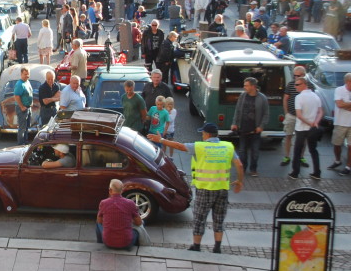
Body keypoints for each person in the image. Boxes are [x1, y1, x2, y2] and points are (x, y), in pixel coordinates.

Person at [150, 124, 243, 253]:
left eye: (203, 133)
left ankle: (196, 246)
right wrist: (239, 181)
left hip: (204, 189)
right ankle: (217, 247)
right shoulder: (228, 147)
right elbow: (239, 165)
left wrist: (160, 140)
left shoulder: (200, 146)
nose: (202, 135)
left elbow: (179, 146)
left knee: (200, 218)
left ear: (207, 135)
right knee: (219, 219)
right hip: (222, 190)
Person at [230, 77, 269, 176]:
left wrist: (261, 126)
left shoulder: (262, 98)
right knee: (242, 151)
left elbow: (266, 114)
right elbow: (237, 110)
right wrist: (234, 123)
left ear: (253, 86)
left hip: (255, 131)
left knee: (255, 152)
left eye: (246, 85)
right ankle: (243, 168)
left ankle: (253, 169)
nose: (244, 87)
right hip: (243, 129)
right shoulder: (242, 96)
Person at [328, 72, 351, 176]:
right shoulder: (339, 90)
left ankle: (348, 167)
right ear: (347, 82)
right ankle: (337, 160)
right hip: (340, 122)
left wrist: (345, 105)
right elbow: (339, 104)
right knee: (337, 144)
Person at [289, 75, 323, 180]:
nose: (296, 87)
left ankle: (295, 172)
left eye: (297, 85)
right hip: (312, 128)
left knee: (297, 150)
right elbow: (320, 111)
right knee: (313, 150)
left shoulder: (299, 97)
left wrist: (309, 123)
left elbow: (299, 115)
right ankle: (317, 172)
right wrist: (315, 122)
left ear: (304, 84)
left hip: (301, 128)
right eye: (295, 85)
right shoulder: (315, 96)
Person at [96, 179, 143, 250]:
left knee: (97, 224)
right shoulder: (130, 203)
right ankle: (136, 246)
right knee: (140, 226)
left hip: (108, 243)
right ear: (122, 190)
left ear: (110, 190)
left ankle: (100, 243)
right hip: (126, 243)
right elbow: (139, 223)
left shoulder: (103, 203)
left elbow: (99, 221)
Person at [281, 66, 307, 167]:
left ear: (303, 75)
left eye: (298, 76)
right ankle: (287, 156)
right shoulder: (291, 84)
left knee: (303, 138)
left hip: (303, 117)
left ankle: (301, 156)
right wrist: (286, 113)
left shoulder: (309, 86)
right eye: (294, 75)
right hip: (291, 115)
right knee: (288, 136)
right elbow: (286, 98)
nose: (295, 77)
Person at [13, 66, 34, 145]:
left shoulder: (27, 81)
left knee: (26, 127)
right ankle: (21, 144)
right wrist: (22, 106)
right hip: (22, 109)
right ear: (21, 74)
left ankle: (25, 142)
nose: (27, 76)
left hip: (28, 108)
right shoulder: (19, 84)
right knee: (22, 128)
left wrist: (30, 103)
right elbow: (16, 96)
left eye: (28, 74)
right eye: (25, 74)